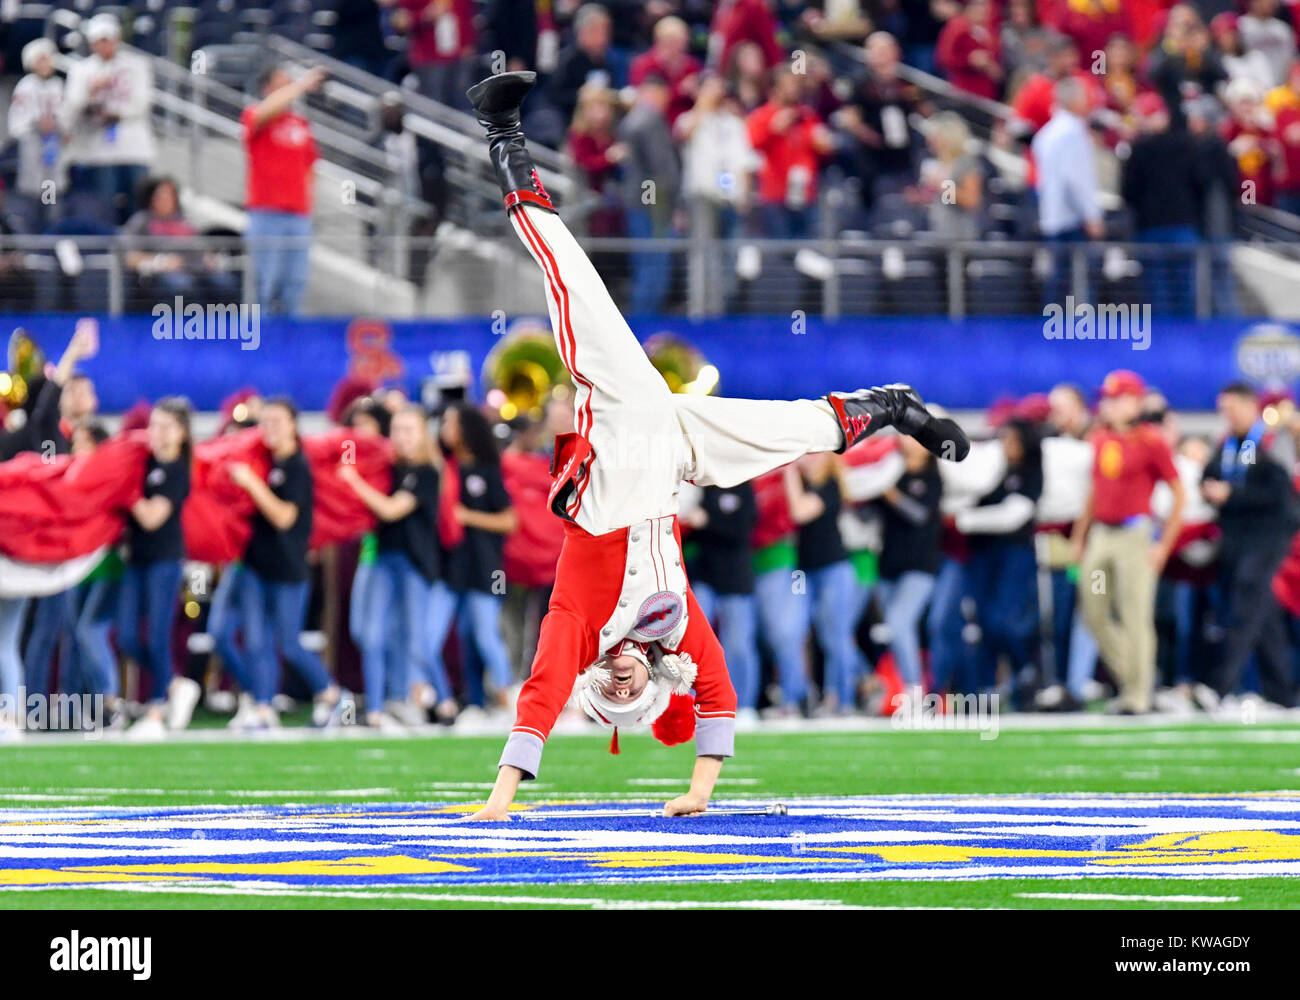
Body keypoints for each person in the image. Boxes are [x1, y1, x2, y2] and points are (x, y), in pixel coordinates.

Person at [461, 71, 967, 820]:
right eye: (636, 692)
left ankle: (502, 135)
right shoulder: (677, 634)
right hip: (674, 462)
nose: (625, 680)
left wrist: (501, 798)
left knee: (573, 278)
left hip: (624, 446)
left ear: (598, 681)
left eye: (613, 690)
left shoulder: (578, 623)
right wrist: (699, 791)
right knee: (795, 429)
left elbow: (539, 694)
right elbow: (720, 695)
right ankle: (894, 405)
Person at [223, 398, 349, 727]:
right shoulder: (264, 461)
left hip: (288, 569)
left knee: (289, 644)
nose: (270, 428)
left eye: (278, 421)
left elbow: (283, 517)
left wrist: (251, 483)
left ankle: (331, 693)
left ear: (294, 425)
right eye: (265, 421)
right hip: (254, 565)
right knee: (254, 640)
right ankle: (263, 707)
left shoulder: (297, 466)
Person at [1071, 370, 1185, 714]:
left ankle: (1137, 694)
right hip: (1102, 536)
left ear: (1134, 401)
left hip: (1135, 535)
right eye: (1105, 398)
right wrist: (1080, 536)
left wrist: (1163, 544)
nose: (1107, 404)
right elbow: (1094, 492)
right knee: (1093, 609)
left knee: (1136, 613)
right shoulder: (1100, 438)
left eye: (1115, 398)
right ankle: (1134, 678)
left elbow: (1179, 494)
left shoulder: (1151, 441)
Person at [340, 405, 454, 728]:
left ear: (423, 435)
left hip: (414, 565)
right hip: (383, 560)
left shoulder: (428, 472)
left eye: (409, 430)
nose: (401, 437)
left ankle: (445, 703)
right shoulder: (387, 468)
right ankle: (376, 710)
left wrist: (353, 480)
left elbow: (390, 510)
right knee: (372, 635)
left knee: (418, 640)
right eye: (397, 430)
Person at [1199, 382, 1299, 708]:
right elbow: (1214, 474)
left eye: (1231, 408)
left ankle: (1220, 685)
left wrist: (1232, 495)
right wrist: (1210, 487)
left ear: (1248, 405)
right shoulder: (1232, 444)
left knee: (1244, 603)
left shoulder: (1270, 441)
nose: (1226, 415)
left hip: (1268, 539)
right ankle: (1282, 692)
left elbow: (1282, 498)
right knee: (1263, 614)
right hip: (1238, 539)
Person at [114, 398, 198, 739]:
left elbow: (151, 518)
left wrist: (127, 493)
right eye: (154, 425)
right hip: (136, 559)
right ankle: (176, 684)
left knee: (158, 635)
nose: (157, 433)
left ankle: (155, 710)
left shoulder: (177, 470)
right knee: (126, 636)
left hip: (164, 560)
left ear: (181, 433)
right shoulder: (144, 461)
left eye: (166, 427)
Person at [959, 417, 1043, 701]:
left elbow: (1013, 516)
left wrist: (966, 521)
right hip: (982, 553)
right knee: (982, 622)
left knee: (1005, 620)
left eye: (1013, 440)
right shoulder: (989, 468)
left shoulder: (1031, 471)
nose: (1006, 446)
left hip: (1015, 553)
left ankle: (1024, 673)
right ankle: (984, 688)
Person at [441, 403, 519, 710]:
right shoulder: (446, 468)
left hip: (489, 569)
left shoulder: (487, 470)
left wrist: (466, 516)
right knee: (466, 637)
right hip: (456, 568)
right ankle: (475, 702)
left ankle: (507, 699)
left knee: (487, 634)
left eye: (450, 423)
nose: (444, 429)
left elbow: (509, 521)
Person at [241, 65, 322, 315]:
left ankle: (292, 348)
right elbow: (266, 111)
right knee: (264, 286)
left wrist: (310, 208)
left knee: (295, 286)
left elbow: (310, 167)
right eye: (281, 82)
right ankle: (259, 346)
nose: (288, 85)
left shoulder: (301, 123)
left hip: (298, 215)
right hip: (266, 213)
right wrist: (300, 86)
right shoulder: (254, 114)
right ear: (267, 88)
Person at [60, 14, 155, 225]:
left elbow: (143, 102)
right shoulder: (81, 69)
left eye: (107, 39)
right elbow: (71, 108)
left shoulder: (136, 65)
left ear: (116, 39)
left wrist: (116, 113)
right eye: (98, 41)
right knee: (103, 207)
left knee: (138, 205)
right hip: (98, 150)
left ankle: (138, 248)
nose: (103, 46)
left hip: (133, 147)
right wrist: (91, 90)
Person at [683, 482, 761, 721]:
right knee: (692, 643)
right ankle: (688, 703)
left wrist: (708, 521)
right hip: (704, 576)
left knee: (738, 645)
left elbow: (743, 529)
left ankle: (744, 704)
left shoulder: (743, 488)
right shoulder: (701, 487)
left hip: (736, 579)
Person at [875, 434, 943, 690]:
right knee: (892, 630)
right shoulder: (890, 473)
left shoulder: (932, 478)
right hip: (889, 564)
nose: (909, 442)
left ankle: (915, 688)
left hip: (920, 565)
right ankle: (897, 686)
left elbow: (919, 514)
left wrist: (889, 494)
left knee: (899, 620)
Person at [1032, 76, 1104, 305]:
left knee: (1056, 281)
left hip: (1052, 216)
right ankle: (1081, 334)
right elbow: (1076, 180)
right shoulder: (1073, 133)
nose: (1088, 102)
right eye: (1085, 97)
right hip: (1073, 220)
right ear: (1073, 100)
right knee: (1080, 281)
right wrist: (1091, 215)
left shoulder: (1046, 134)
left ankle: (1052, 333)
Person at [7, 38, 66, 230]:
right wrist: (36, 124)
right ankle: (31, 230)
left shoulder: (58, 85)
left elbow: (67, 114)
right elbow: (17, 121)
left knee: (51, 193)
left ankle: (50, 230)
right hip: (33, 146)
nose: (45, 64)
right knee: (32, 193)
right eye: (40, 60)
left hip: (53, 148)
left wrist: (60, 127)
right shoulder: (26, 86)